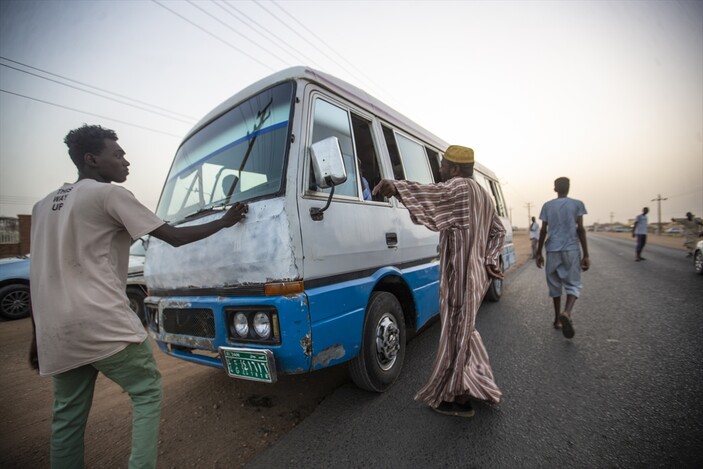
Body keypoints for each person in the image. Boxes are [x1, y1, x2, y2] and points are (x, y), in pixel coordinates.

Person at [29, 124, 248, 469]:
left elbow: (40, 274)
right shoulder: (109, 195)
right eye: (117, 154)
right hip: (103, 323)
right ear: (91, 160)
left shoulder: (42, 207)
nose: (126, 160)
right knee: (146, 393)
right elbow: (173, 237)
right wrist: (224, 221)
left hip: (57, 333)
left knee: (67, 419)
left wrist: (36, 337)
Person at [372, 145, 505, 418]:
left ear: (455, 168)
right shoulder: (485, 196)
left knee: (457, 334)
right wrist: (490, 260)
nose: (440, 169)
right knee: (465, 331)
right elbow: (498, 232)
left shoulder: (459, 188)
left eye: (443, 165)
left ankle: (457, 399)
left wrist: (396, 187)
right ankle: (477, 382)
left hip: (461, 276)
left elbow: (432, 195)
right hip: (476, 276)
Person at [535, 177, 589, 339]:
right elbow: (580, 229)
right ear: (569, 188)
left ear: (554, 189)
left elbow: (543, 231)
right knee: (573, 284)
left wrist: (538, 253)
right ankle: (567, 312)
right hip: (571, 249)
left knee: (554, 284)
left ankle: (557, 319)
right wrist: (585, 254)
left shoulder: (547, 206)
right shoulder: (577, 204)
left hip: (552, 249)